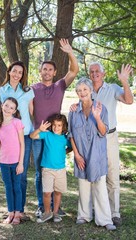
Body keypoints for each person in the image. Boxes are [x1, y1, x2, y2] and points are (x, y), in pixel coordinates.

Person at [70, 63, 133, 226]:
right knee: (89, 174)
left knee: (111, 174)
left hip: (108, 135)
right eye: (91, 71)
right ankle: (88, 212)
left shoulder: (112, 88)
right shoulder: (86, 90)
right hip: (89, 140)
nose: (95, 73)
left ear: (103, 73)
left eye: (98, 71)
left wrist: (124, 81)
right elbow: (81, 108)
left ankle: (114, 213)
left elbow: (128, 100)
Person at [31, 38, 79, 217]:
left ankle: (55, 208)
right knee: (40, 172)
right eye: (44, 69)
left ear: (55, 72)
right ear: (40, 71)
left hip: (56, 136)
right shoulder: (33, 88)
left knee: (57, 169)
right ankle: (43, 207)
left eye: (50, 69)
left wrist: (69, 52)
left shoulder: (60, 86)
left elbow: (74, 70)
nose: (47, 72)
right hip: (40, 136)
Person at [0, 61, 34, 220]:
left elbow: (32, 111)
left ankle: (19, 211)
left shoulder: (27, 91)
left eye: (20, 72)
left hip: (25, 135)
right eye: (14, 71)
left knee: (21, 173)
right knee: (10, 178)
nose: (17, 74)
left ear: (22, 75)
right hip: (9, 137)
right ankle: (12, 210)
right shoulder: (2, 90)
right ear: (9, 71)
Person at [68, 77, 116, 231]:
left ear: (90, 91)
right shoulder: (74, 111)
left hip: (97, 154)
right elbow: (71, 134)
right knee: (83, 186)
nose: (82, 93)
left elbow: (103, 132)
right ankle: (84, 216)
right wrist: (76, 155)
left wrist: (96, 117)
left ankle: (105, 219)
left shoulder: (101, 108)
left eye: (85, 90)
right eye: (79, 90)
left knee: (100, 186)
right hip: (81, 154)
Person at [30, 114, 72, 223]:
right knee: (47, 192)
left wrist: (64, 152)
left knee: (58, 192)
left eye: (59, 125)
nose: (56, 127)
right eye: (54, 125)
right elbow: (32, 136)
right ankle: (47, 212)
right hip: (47, 169)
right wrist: (39, 129)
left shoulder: (64, 138)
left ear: (63, 127)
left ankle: (56, 213)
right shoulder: (47, 135)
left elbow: (71, 147)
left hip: (60, 170)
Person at [0, 97, 24, 225]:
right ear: (2, 105)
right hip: (3, 162)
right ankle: (10, 213)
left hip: (16, 162)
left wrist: (21, 163)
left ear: (14, 111)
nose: (8, 109)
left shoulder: (17, 123)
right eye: (7, 105)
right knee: (8, 187)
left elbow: (22, 143)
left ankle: (17, 214)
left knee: (17, 187)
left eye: (11, 108)